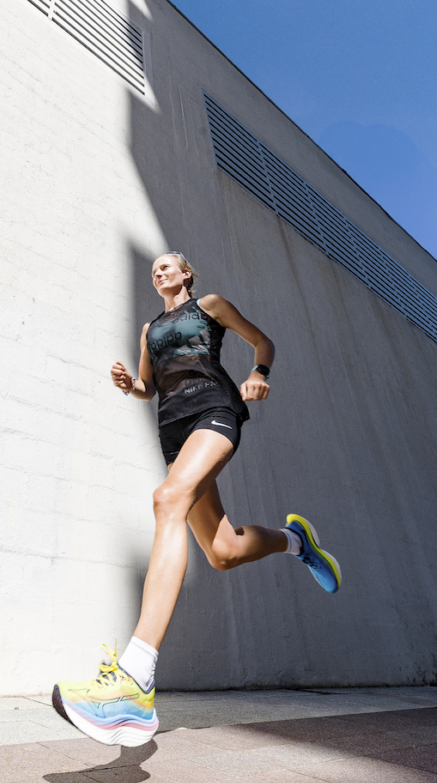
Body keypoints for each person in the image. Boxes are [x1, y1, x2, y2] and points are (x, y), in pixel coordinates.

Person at [52, 252, 341, 747]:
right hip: (175, 429)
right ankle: (295, 541)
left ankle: (135, 677)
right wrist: (131, 385)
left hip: (215, 408)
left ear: (186, 274)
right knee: (222, 551)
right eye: (154, 269)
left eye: (169, 266)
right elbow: (149, 387)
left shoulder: (208, 305)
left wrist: (260, 372)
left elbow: (262, 340)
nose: (159, 272)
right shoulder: (149, 328)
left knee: (168, 500)